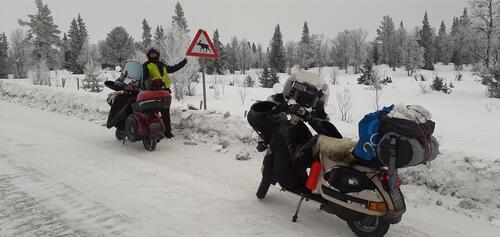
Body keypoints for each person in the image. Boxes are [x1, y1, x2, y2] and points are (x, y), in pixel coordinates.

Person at [142, 48, 188, 138]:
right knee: (152, 112)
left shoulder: (161, 64)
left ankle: (167, 132)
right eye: (151, 54)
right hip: (152, 92)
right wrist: (151, 83)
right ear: (148, 55)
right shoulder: (146, 65)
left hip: (164, 91)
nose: (153, 56)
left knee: (165, 112)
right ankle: (152, 131)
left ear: (157, 55)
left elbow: (172, 68)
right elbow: (145, 79)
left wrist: (182, 63)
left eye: (154, 54)